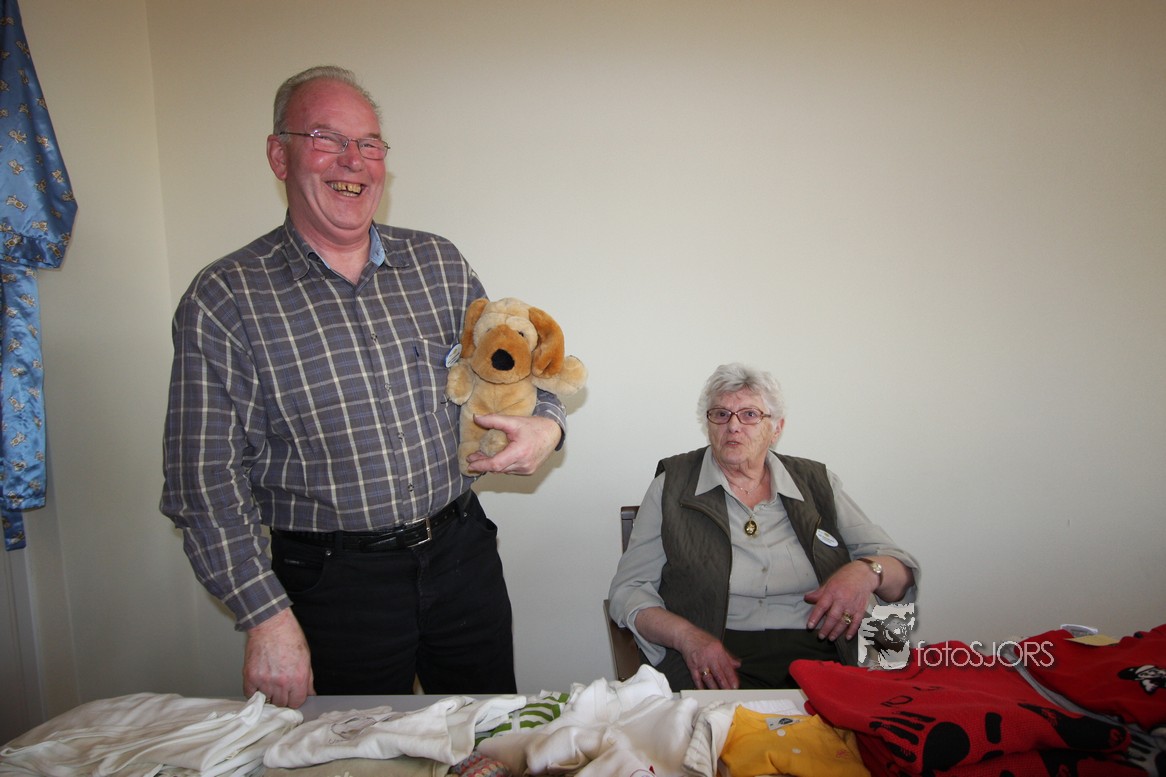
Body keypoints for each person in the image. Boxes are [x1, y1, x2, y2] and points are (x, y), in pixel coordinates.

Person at [160, 66, 566, 708]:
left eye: (370, 143)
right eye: (327, 138)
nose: (354, 161)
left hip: (461, 555)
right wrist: (265, 617)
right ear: (279, 155)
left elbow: (510, 366)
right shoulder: (226, 297)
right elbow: (203, 482)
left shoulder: (439, 263)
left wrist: (548, 422)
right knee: (352, 749)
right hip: (332, 585)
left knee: (489, 732)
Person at [608, 363, 919, 690]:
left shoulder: (817, 484)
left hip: (828, 650)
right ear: (708, 423)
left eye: (750, 415)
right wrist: (687, 637)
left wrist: (867, 571)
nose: (733, 426)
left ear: (776, 428)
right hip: (715, 659)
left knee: (887, 708)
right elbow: (628, 591)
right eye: (721, 414)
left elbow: (900, 572)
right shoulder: (672, 486)